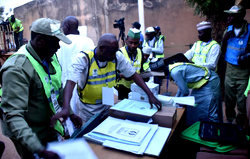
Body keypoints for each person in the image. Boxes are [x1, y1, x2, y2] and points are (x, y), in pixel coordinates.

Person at [0, 18, 82, 159]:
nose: (58, 47)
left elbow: (57, 87)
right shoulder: (17, 68)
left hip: (47, 124)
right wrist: (39, 149)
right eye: (55, 42)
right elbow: (13, 115)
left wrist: (70, 112)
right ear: (40, 40)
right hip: (26, 131)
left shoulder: (50, 56)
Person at [63, 33, 162, 123]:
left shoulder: (116, 56)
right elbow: (70, 83)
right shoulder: (84, 59)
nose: (115, 55)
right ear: (101, 48)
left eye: (115, 52)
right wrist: (66, 107)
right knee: (89, 132)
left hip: (107, 102)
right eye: (112, 53)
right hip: (88, 108)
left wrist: (150, 94)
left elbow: (133, 74)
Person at [164, 56, 222, 126]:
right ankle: (202, 128)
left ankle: (215, 132)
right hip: (203, 82)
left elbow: (185, 91)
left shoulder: (174, 72)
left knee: (209, 110)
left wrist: (178, 102)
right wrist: (175, 100)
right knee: (197, 107)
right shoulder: (173, 68)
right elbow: (181, 87)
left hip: (210, 81)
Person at [221, 5, 250, 127]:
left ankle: (240, 125)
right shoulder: (228, 30)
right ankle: (230, 122)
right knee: (229, 100)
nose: (228, 18)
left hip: (243, 72)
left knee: (242, 102)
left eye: (232, 15)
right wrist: (223, 40)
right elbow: (223, 51)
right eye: (228, 15)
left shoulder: (249, 30)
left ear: (241, 16)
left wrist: (247, 56)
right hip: (230, 71)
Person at [115, 28, 144, 100]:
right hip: (122, 88)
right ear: (126, 41)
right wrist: (121, 75)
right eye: (130, 42)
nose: (133, 45)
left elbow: (141, 68)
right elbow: (112, 72)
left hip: (136, 87)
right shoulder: (119, 53)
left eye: (135, 43)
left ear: (139, 42)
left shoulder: (140, 52)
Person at [142, 27, 164, 92]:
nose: (147, 36)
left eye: (149, 34)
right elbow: (143, 48)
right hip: (148, 63)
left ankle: (157, 93)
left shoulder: (159, 39)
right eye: (147, 34)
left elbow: (161, 50)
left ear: (153, 34)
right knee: (149, 80)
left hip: (157, 63)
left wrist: (150, 49)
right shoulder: (146, 40)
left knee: (157, 80)